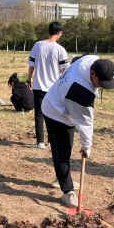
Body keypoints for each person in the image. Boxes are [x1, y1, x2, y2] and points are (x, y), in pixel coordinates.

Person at [42, 55, 114, 208]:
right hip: (55, 112)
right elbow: (85, 124)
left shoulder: (91, 59)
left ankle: (62, 177)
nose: (101, 86)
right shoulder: (80, 91)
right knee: (62, 151)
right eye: (100, 82)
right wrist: (86, 147)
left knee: (65, 149)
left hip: (63, 101)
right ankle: (67, 191)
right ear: (92, 74)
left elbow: (77, 58)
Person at [27, 21, 69, 149]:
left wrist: (29, 80)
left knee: (38, 115)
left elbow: (31, 66)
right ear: (59, 33)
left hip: (38, 86)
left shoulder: (37, 46)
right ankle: (51, 141)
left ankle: (40, 142)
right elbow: (64, 71)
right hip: (53, 88)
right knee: (52, 115)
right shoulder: (60, 49)